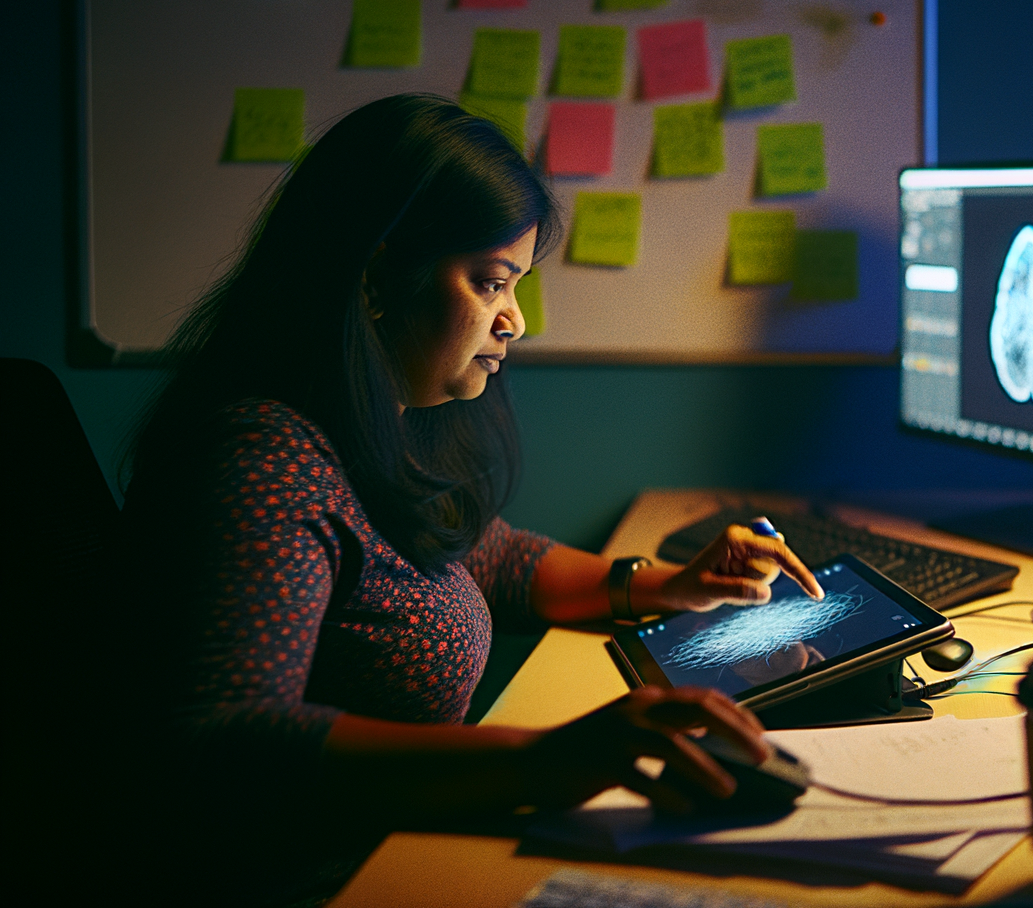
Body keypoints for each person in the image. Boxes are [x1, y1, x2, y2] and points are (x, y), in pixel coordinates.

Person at [107, 94, 823, 906]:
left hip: (399, 851)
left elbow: (490, 556)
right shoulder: (261, 461)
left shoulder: (369, 428)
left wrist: (668, 585)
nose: (513, 319)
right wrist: (543, 762)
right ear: (377, 276)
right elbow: (224, 737)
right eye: (491, 282)